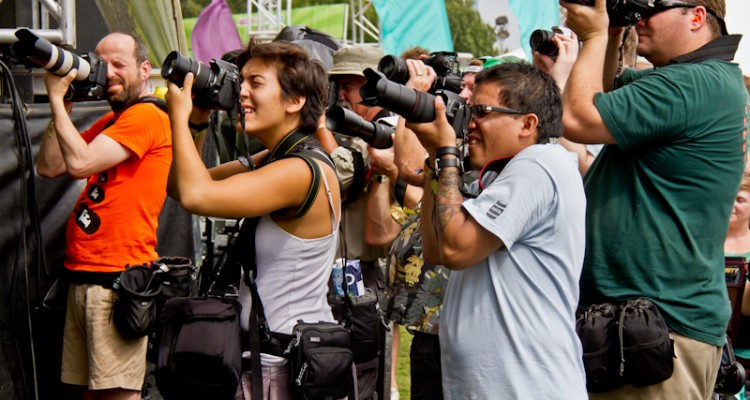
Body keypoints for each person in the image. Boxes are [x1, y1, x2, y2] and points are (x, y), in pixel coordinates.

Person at [560, 0, 748, 398]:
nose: (639, 17)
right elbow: (606, 87)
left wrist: (593, 35)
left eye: (653, 7)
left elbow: (579, 118)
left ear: (697, 16)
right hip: (647, 322)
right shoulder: (698, 80)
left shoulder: (693, 84)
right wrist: (611, 32)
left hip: (657, 329)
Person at [165, 39, 340, 399]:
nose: (241, 93)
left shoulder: (300, 170)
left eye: (255, 83)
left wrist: (178, 120)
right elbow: (182, 188)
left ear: (295, 101)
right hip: (268, 357)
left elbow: (198, 196)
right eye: (239, 81)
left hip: (284, 365)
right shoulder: (277, 157)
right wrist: (198, 120)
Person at [407, 61, 587, 399]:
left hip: (527, 387)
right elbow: (438, 249)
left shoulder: (539, 163)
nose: (469, 123)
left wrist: (446, 154)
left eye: (481, 112)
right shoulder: (507, 173)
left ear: (527, 124)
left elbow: (458, 249)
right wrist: (435, 157)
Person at [36, 32, 171, 399]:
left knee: (117, 394)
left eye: (118, 64)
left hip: (117, 281)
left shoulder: (145, 115)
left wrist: (51, 94)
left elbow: (78, 163)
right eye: (101, 63)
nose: (107, 73)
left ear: (145, 70)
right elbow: (49, 165)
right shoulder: (116, 121)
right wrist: (61, 105)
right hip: (84, 277)